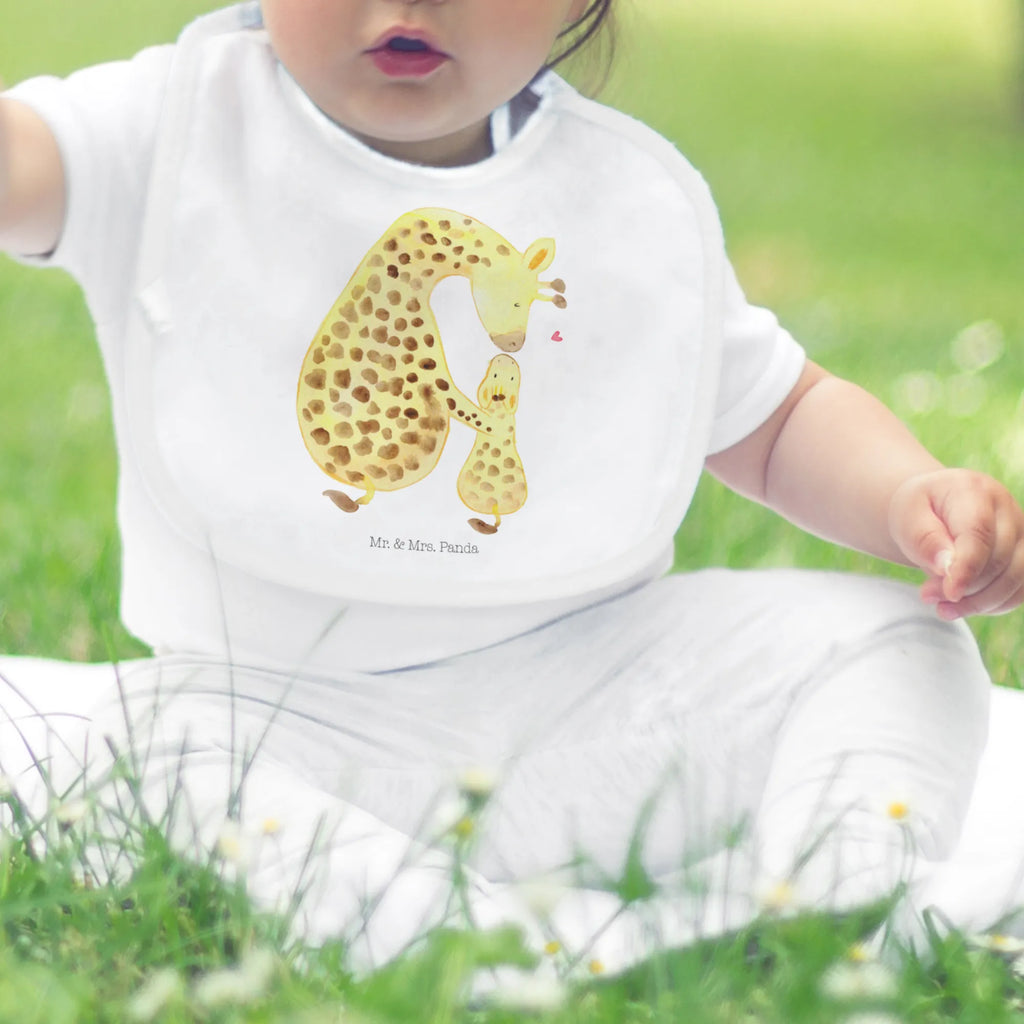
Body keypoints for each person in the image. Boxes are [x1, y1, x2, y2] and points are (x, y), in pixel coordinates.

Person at [2, 0, 1024, 977]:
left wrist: (908, 495)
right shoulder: (166, 130)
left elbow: (780, 418)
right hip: (278, 719)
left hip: (596, 707)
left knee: (897, 640)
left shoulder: (618, 203)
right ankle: (484, 949)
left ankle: (826, 896)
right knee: (141, 757)